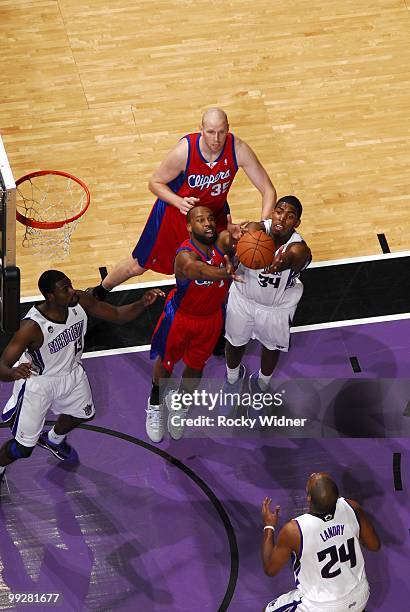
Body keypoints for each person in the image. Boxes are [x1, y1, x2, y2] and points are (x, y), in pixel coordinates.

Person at [89, 107, 276, 298]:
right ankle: (100, 290)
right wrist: (178, 201)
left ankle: (226, 305)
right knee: (139, 265)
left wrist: (264, 226)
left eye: (221, 132)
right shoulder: (184, 151)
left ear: (228, 129)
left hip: (213, 217)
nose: (216, 139)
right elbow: (154, 183)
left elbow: (268, 190)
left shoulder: (238, 149)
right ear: (201, 129)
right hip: (174, 215)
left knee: (226, 258)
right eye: (211, 132)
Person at [0, 270, 164, 481]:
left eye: (70, 284)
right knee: (23, 448)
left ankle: (54, 439)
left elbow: (117, 315)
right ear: (50, 296)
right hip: (39, 383)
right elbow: (2, 366)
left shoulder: (80, 301)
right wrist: (13, 373)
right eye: (65, 289)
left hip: (71, 373)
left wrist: (142, 303)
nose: (72, 291)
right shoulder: (31, 327)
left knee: (83, 414)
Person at [146, 206, 242, 443]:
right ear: (189, 227)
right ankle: (155, 404)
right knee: (166, 365)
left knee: (196, 367)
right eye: (200, 220)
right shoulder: (184, 255)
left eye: (210, 218)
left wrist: (248, 233)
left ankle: (179, 404)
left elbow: (238, 235)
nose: (208, 223)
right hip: (180, 318)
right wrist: (225, 273)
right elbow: (198, 269)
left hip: (210, 319)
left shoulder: (221, 242)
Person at [224, 196, 311, 410]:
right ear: (272, 212)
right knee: (234, 342)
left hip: (275, 307)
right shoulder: (256, 230)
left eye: (291, 216)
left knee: (271, 348)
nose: (283, 218)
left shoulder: (297, 248)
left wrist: (283, 264)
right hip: (243, 298)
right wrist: (234, 253)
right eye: (279, 211)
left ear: (297, 223)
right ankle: (233, 378)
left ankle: (261, 385)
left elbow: (302, 256)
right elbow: (232, 242)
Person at [261, 472, 381, 612]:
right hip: (360, 596)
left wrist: (269, 526)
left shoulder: (294, 531)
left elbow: (270, 569)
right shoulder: (351, 507)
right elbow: (374, 545)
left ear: (309, 498)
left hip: (322, 606)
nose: (314, 474)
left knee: (267, 610)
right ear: (337, 497)